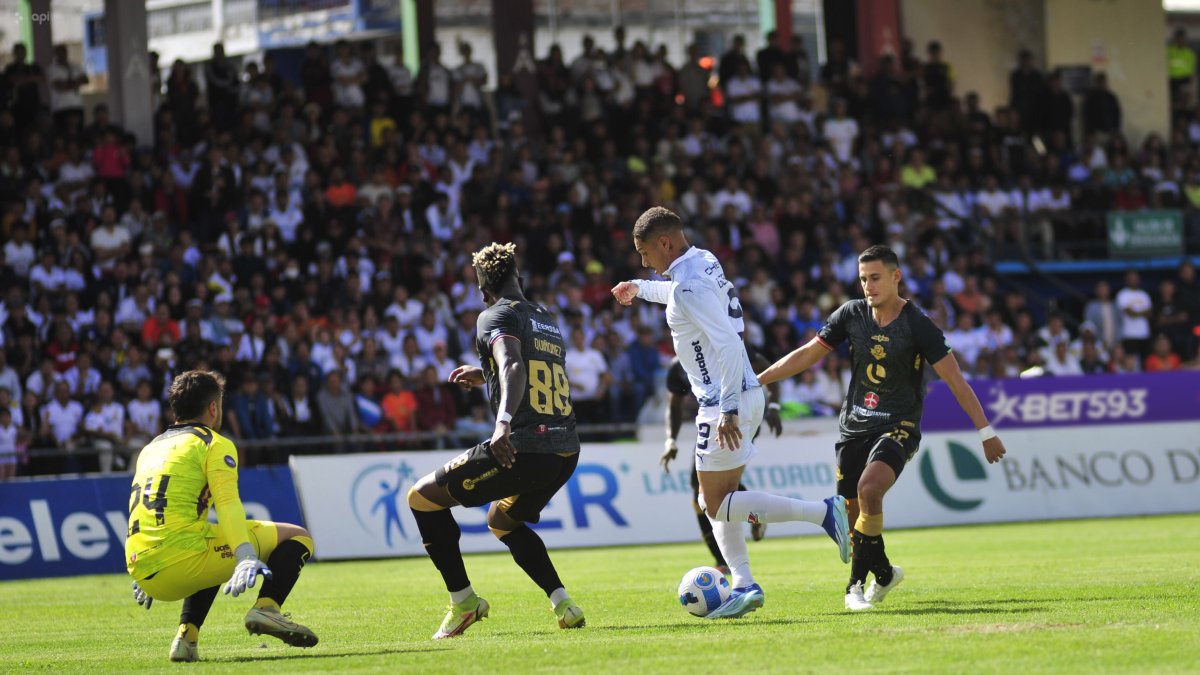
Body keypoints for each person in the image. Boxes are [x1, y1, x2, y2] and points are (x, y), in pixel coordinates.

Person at [611, 207, 849, 620]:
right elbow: (681, 298)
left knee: (713, 502)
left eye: (645, 253)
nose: (645, 262)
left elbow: (725, 344)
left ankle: (823, 512)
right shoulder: (702, 262)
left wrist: (727, 410)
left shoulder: (688, 285)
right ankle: (744, 584)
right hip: (744, 393)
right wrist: (640, 287)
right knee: (721, 498)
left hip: (723, 399)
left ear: (664, 243)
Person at [756, 245, 1007, 611]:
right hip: (853, 427)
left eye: (875, 278)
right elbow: (808, 353)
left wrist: (986, 432)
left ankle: (853, 588)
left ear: (895, 276)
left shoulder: (918, 324)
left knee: (870, 489)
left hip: (898, 424)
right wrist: (760, 379)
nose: (868, 286)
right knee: (854, 519)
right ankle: (885, 574)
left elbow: (955, 380)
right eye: (863, 279)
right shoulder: (851, 314)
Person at [407, 243, 585, 639]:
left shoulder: (494, 315)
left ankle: (463, 602)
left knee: (421, 499)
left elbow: (513, 363)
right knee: (502, 520)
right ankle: (564, 603)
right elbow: (525, 365)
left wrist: (502, 422)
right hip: (565, 451)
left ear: (482, 288)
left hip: (524, 447)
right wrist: (485, 373)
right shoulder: (545, 317)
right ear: (517, 277)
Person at [125, 370, 317, 662]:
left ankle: (187, 637)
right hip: (182, 561)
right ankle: (267, 609)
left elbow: (141, 508)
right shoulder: (213, 443)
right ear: (213, 408)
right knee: (299, 537)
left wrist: (148, 561)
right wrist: (245, 555)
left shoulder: (151, 448)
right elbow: (227, 504)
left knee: (209, 541)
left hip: (142, 570)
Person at [659, 342, 783, 571]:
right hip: (711, 424)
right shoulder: (678, 366)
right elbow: (674, 405)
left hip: (741, 418)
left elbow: (769, 370)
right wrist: (671, 440)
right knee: (705, 490)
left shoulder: (725, 344)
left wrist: (773, 406)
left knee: (708, 487)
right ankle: (726, 554)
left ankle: (737, 542)